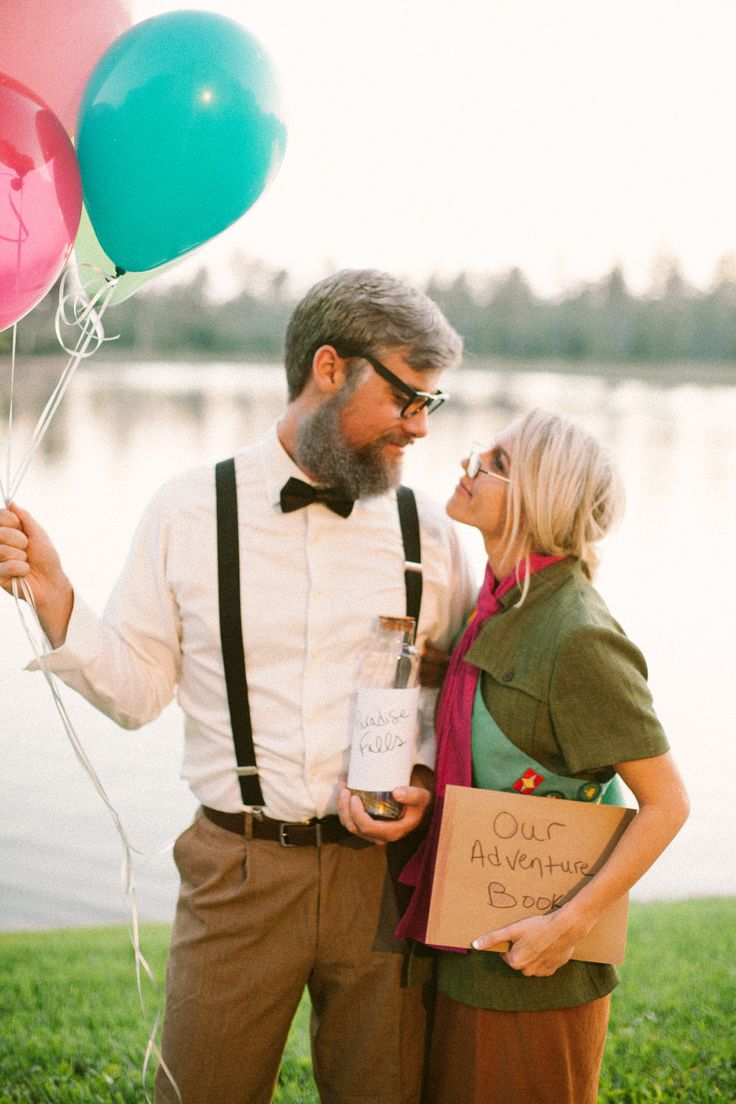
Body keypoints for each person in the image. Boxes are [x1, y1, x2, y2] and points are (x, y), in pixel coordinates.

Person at [0, 269, 475, 1104]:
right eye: (407, 398)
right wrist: (54, 593)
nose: (419, 428)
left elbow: (455, 702)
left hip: (382, 883)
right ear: (330, 369)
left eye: (431, 404)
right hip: (238, 872)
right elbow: (140, 691)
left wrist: (429, 781)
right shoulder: (189, 509)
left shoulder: (427, 530)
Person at [396, 408, 689, 1104]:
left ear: (536, 498)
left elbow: (668, 803)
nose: (468, 464)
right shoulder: (496, 604)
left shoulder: (578, 635)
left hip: (534, 972)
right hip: (465, 944)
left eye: (493, 460)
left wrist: (569, 924)